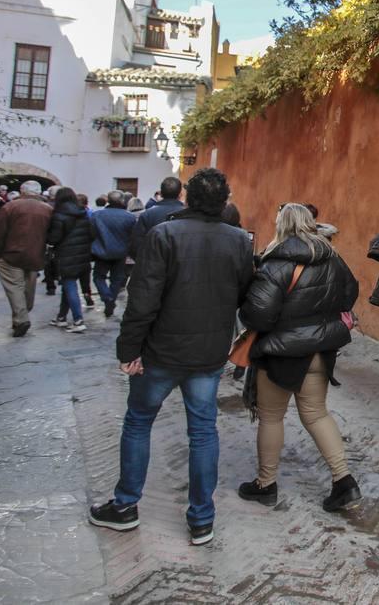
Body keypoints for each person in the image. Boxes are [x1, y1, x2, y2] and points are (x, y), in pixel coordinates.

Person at [88, 168, 254, 546]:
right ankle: (201, 519)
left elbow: (142, 299)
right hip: (209, 353)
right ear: (224, 201)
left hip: (161, 351)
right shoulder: (239, 241)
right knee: (203, 431)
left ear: (188, 198)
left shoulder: (164, 234)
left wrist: (129, 349)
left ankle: (126, 506)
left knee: (138, 422)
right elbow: (243, 293)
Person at [236, 204, 362, 511]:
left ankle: (266, 484)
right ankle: (344, 481)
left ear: (283, 226)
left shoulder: (276, 262)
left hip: (280, 354)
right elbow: (350, 293)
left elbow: (258, 315)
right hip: (320, 352)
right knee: (317, 414)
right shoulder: (332, 257)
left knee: (270, 417)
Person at [0, 181, 52, 337]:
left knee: (14, 287)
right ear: (39, 192)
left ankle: (21, 318)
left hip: (11, 253)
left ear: (21, 191)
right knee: (29, 287)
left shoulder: (10, 207)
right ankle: (22, 315)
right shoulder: (48, 210)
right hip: (35, 254)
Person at [46, 187, 94, 333]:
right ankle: (61, 317)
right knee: (68, 286)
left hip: (66, 254)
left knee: (70, 284)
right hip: (83, 253)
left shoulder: (59, 215)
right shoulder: (83, 213)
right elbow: (92, 233)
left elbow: (54, 238)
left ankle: (78, 319)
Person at [91, 190, 137, 317]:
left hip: (102, 251)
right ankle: (110, 298)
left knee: (98, 277)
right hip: (120, 252)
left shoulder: (97, 215)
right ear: (122, 201)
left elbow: (91, 233)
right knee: (116, 279)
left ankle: (107, 298)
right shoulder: (129, 217)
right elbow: (133, 236)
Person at [130, 177, 186, 259]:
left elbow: (136, 245)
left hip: (153, 262)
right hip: (181, 264)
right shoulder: (188, 213)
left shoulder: (147, 214)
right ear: (180, 194)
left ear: (161, 194)